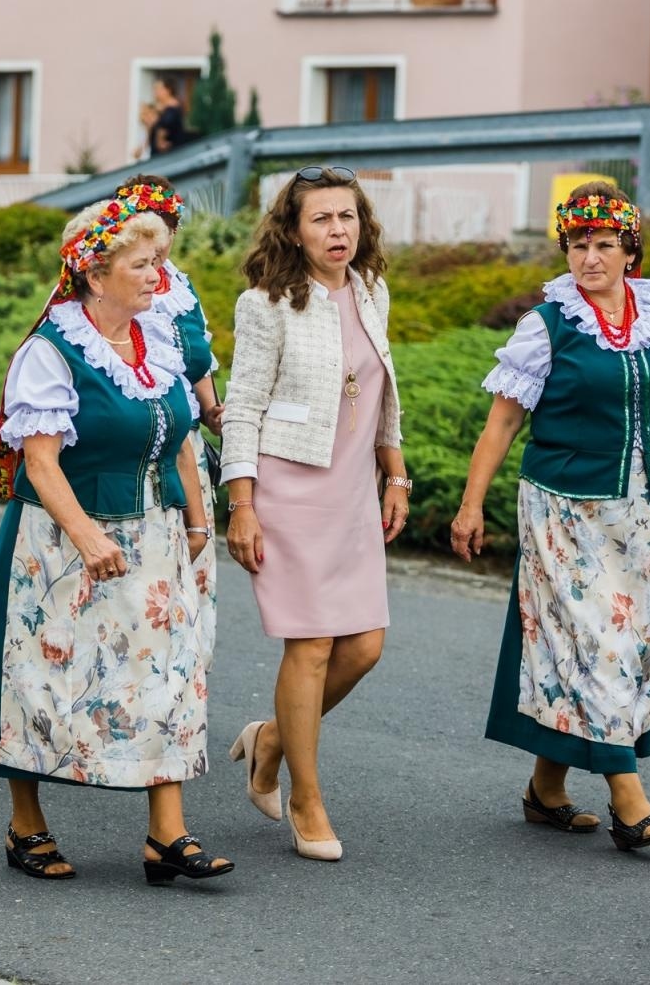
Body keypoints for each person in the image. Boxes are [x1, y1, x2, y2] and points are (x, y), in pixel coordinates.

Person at [450, 182, 650, 852]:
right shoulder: (548, 324)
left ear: (629, 251)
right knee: (594, 645)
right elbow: (502, 424)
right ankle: (628, 797)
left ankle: (546, 787)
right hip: (565, 508)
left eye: (604, 244)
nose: (590, 258)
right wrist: (471, 505)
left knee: (635, 649)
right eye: (578, 245)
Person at [0, 193, 230, 885]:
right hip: (66, 545)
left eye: (159, 262)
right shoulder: (51, 351)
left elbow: (180, 440)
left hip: (157, 535)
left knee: (168, 677)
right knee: (46, 678)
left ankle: (166, 835)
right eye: (142, 264)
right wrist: (85, 535)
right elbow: (40, 461)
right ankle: (26, 824)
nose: (156, 275)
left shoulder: (157, 341)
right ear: (94, 273)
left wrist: (198, 522)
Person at [220, 165, 408, 862]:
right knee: (313, 646)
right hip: (289, 490)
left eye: (348, 217)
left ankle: (270, 738)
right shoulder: (266, 303)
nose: (339, 230)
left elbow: (384, 392)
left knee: (364, 647)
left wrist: (397, 474)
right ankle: (306, 796)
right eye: (323, 219)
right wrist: (241, 505)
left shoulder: (371, 289)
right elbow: (241, 406)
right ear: (293, 231)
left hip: (353, 492)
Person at [117, 174, 223, 688]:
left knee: (192, 567)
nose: (163, 240)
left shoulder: (178, 284)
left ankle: (181, 687)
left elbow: (198, 358)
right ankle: (143, 685)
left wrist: (214, 409)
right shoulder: (119, 284)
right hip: (144, 445)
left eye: (169, 227)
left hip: (188, 443)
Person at [151, 77, 189, 154]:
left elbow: (164, 126)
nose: (155, 92)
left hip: (169, 155)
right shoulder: (161, 108)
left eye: (158, 89)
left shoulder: (172, 109)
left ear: (168, 90)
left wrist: (160, 140)